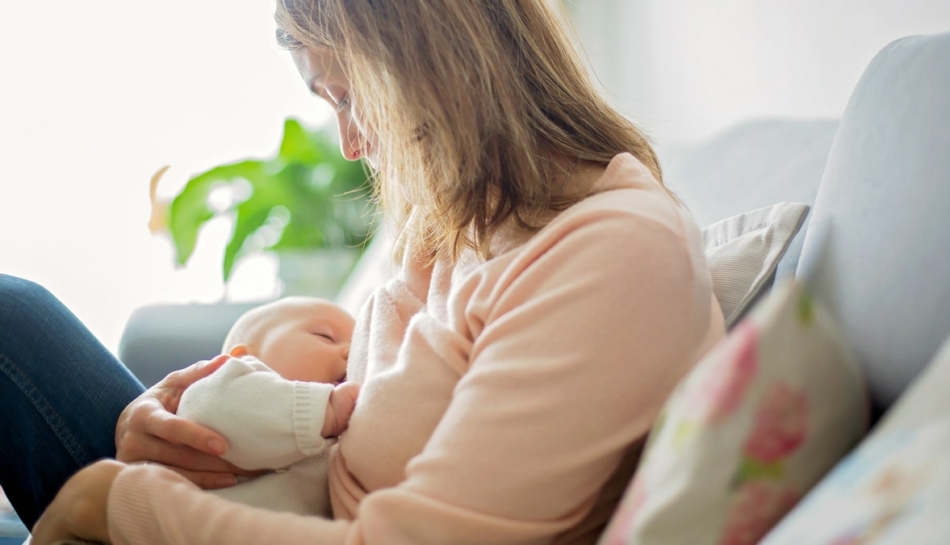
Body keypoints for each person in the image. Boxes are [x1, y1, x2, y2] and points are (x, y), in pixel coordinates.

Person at [1, 1, 726, 544]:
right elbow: (354, 409)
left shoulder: (612, 258)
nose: (349, 143)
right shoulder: (467, 211)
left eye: (350, 97)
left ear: (438, 65)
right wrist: (161, 423)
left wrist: (112, 501)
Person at [176, 296, 360, 516]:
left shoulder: (338, 442)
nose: (352, 352)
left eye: (359, 346)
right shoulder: (223, 385)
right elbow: (206, 409)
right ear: (244, 356)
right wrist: (326, 410)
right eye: (326, 336)